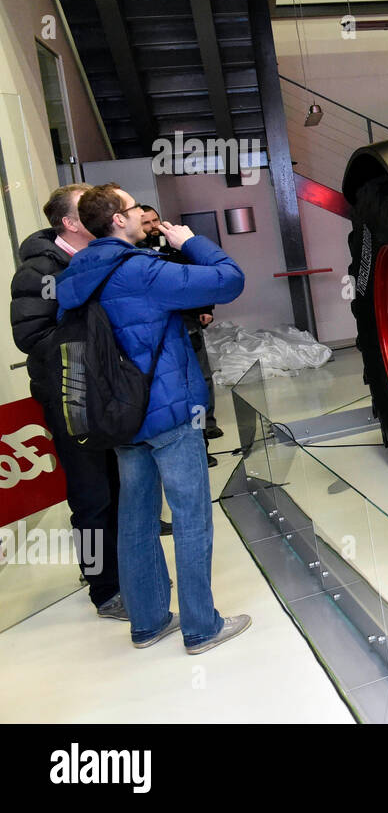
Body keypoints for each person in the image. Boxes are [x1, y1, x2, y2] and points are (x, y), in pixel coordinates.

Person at [56, 183, 251, 653]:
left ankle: (147, 622)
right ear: (116, 220)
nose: (142, 213)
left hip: (119, 417)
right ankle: (202, 627)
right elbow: (230, 279)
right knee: (190, 517)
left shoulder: (77, 272)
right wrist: (190, 242)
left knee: (136, 520)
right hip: (166, 413)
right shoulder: (140, 270)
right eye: (131, 207)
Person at [8, 184, 125, 620]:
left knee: (118, 486)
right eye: (89, 207)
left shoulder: (102, 257)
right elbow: (31, 337)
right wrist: (91, 334)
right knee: (90, 498)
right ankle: (104, 589)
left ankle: (122, 570)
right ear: (71, 224)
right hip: (71, 397)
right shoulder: (39, 271)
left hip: (110, 393)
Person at [137, 204, 222, 465]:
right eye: (146, 222)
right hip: (155, 328)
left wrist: (205, 308)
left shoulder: (177, 248)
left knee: (200, 377)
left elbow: (198, 277)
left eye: (155, 220)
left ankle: (206, 425)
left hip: (187, 320)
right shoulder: (134, 255)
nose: (152, 226)